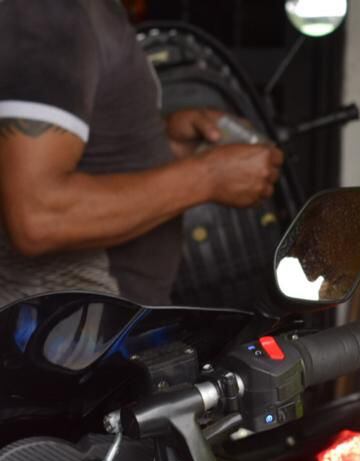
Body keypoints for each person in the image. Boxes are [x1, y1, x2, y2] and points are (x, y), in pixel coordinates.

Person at [0, 0, 283, 307]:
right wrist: (207, 176)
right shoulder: (49, 11)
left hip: (108, 325)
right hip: (65, 335)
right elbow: (38, 216)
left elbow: (84, 154)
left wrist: (165, 146)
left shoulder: (92, 12)